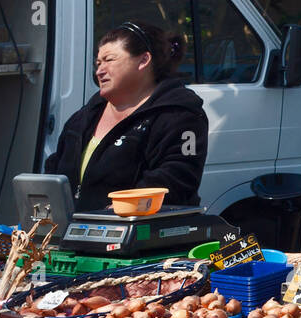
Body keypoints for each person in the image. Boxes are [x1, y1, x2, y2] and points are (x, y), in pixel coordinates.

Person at [45, 21, 209, 213]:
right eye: (98, 63)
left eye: (109, 60)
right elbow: (54, 169)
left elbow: (177, 177)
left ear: (143, 60)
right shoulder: (84, 117)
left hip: (143, 237)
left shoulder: (180, 115)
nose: (99, 70)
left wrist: (124, 208)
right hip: (74, 234)